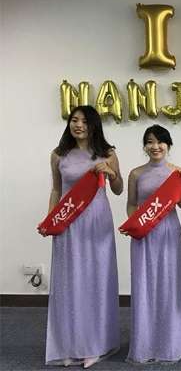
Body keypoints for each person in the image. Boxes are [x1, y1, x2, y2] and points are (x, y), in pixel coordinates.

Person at [43, 105, 122, 368]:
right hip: (68, 222)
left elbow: (119, 188)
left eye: (85, 121)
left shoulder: (107, 153)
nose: (79, 125)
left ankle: (95, 345)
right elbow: (56, 190)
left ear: (94, 125)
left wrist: (111, 173)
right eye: (74, 120)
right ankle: (70, 344)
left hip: (97, 223)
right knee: (69, 283)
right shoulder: (58, 154)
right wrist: (51, 219)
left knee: (96, 282)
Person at [124, 125, 181, 364]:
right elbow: (131, 204)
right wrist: (135, 224)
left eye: (160, 141)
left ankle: (169, 343)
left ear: (168, 145)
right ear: (145, 146)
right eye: (150, 142)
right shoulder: (136, 174)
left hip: (168, 233)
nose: (155, 146)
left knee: (168, 285)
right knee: (144, 285)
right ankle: (146, 344)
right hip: (144, 234)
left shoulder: (176, 172)